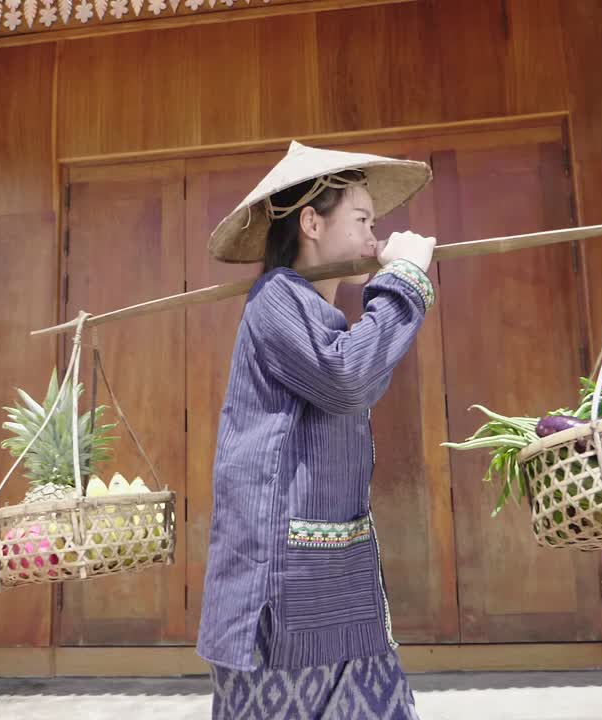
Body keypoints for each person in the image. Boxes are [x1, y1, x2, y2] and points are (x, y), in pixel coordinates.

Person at [196, 140, 437, 719]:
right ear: (311, 222)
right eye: (361, 220)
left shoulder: (316, 313)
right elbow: (347, 378)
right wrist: (403, 279)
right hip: (281, 590)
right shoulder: (276, 300)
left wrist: (394, 280)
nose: (374, 239)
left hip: (332, 581)